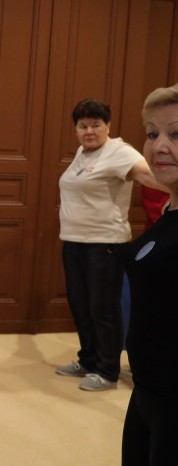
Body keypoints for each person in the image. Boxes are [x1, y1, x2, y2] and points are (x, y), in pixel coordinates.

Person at [55, 98, 163, 392]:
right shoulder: (83, 153)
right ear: (76, 129)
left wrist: (174, 187)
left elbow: (147, 175)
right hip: (74, 242)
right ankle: (88, 359)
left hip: (104, 245)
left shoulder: (118, 152)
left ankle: (107, 370)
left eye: (96, 125)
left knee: (102, 308)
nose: (89, 131)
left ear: (108, 126)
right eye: (83, 126)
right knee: (80, 306)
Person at [116, 85, 178, 466]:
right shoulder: (170, 207)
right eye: (152, 133)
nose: (160, 146)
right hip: (149, 390)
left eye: (176, 134)